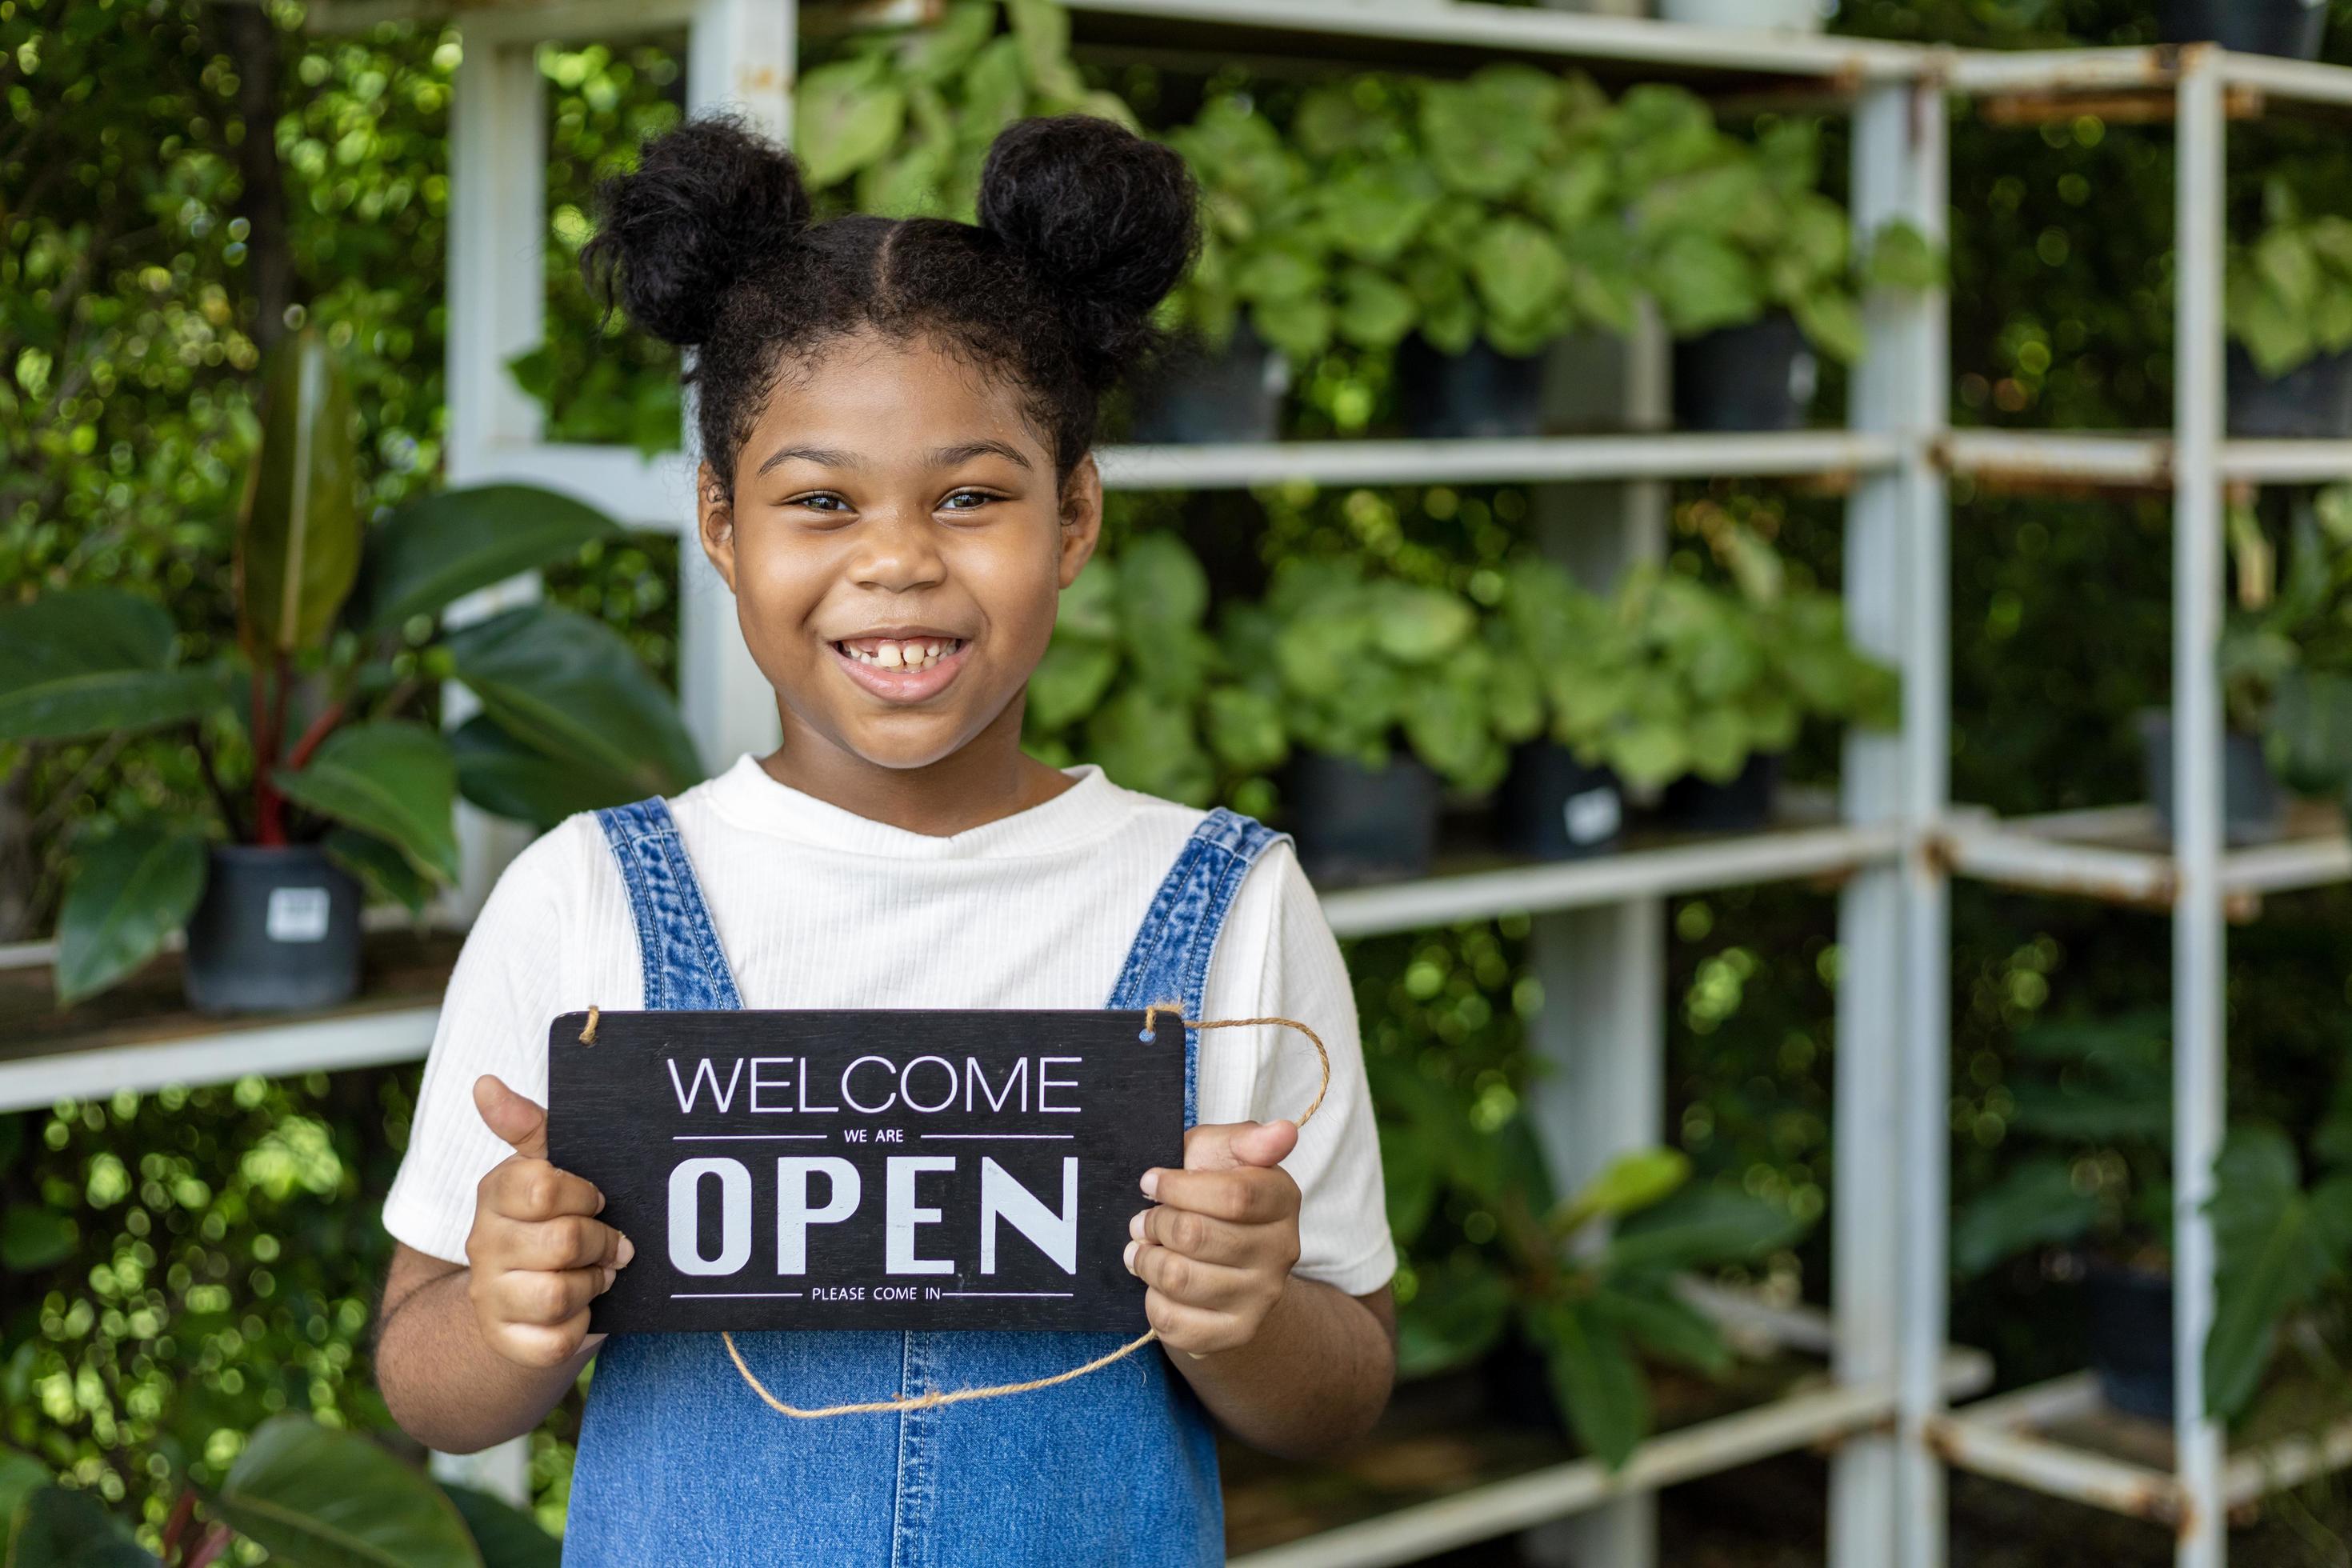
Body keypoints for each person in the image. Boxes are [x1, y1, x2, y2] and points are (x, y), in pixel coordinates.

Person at [373, 111, 1396, 1564]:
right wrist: (506, 1314)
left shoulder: (1228, 905)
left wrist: (1243, 1318)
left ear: (1077, 517)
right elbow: (427, 1379)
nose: (900, 558)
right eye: (821, 502)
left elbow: (1344, 1386)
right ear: (723, 526)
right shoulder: (582, 901)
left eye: (972, 497)